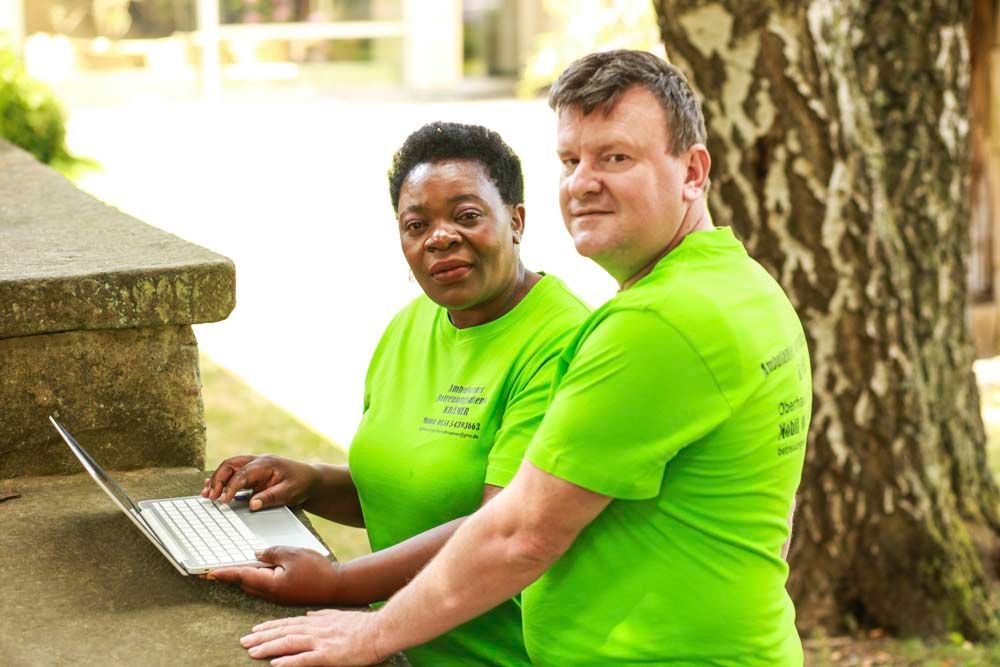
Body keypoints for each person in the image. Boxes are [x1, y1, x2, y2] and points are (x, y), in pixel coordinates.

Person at [239, 49, 812, 666]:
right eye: (570, 160)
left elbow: (520, 532)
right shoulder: (742, 285)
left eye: (616, 157)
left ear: (693, 172)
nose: (583, 183)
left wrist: (365, 631)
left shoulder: (659, 320)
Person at [203, 121, 590, 666]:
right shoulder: (413, 324)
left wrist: (338, 584)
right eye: (416, 224)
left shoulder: (564, 343)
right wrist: (311, 482)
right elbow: (412, 494)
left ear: (517, 221)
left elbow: (504, 527)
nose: (440, 237)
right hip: (401, 646)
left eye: (467, 215)